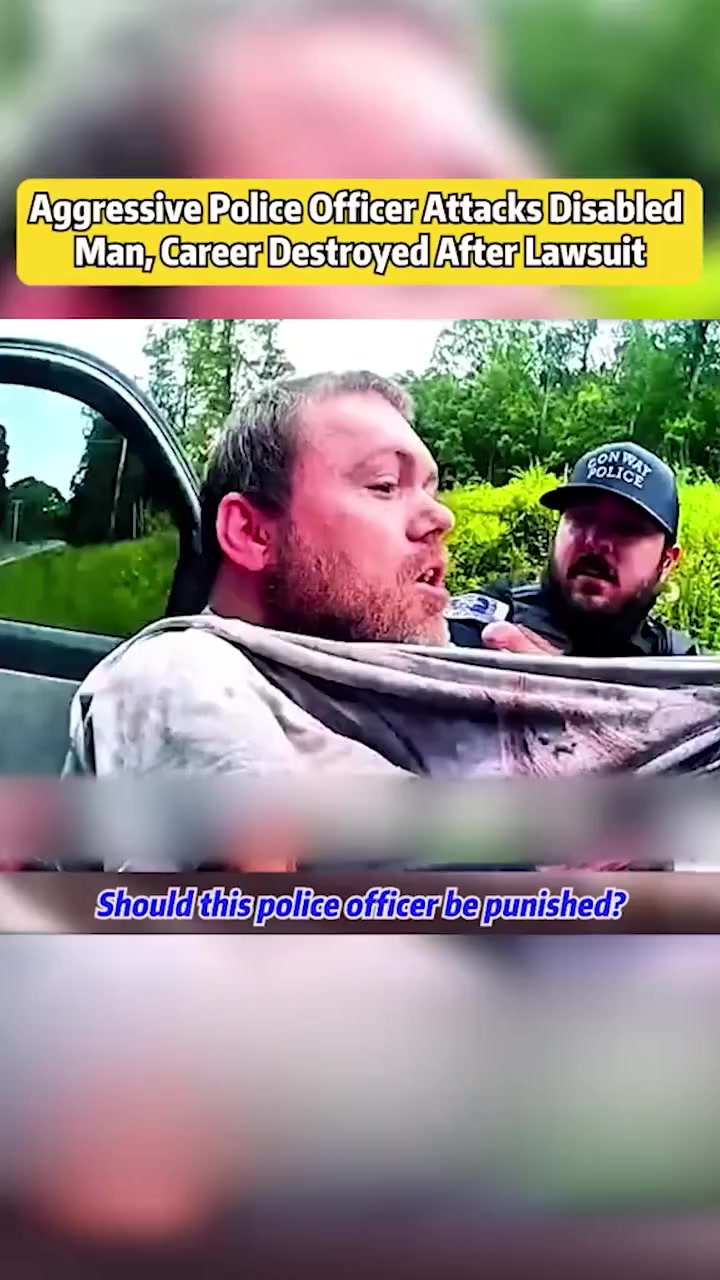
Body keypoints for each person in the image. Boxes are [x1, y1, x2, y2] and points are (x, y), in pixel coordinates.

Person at [446, 442, 701, 657]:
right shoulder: (486, 620)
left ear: (667, 562)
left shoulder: (683, 666)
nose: (595, 540)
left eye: (626, 528)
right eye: (582, 519)